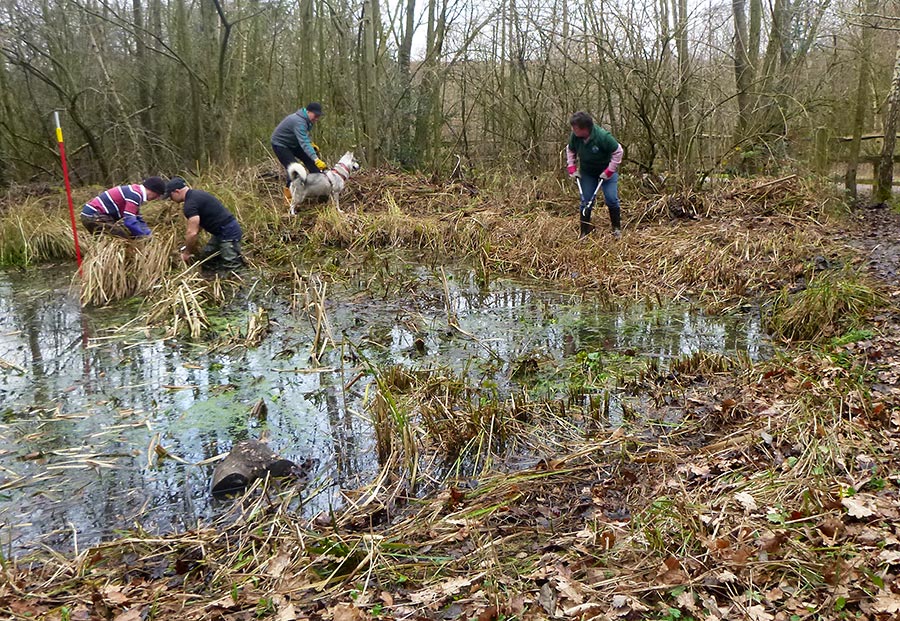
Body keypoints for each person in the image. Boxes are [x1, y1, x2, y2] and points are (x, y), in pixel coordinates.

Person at [565, 111, 624, 239]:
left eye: (575, 128)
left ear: (584, 128)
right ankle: (585, 231)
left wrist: (609, 171)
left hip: (607, 172)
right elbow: (570, 150)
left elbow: (618, 151)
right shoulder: (575, 136)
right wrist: (572, 167)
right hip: (588, 173)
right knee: (586, 201)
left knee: (611, 199)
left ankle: (616, 229)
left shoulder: (603, 137)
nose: (572, 130)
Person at [165, 177, 244, 270]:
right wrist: (188, 243)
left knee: (233, 265)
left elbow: (192, 233)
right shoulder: (197, 194)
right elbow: (199, 225)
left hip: (229, 233)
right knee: (207, 258)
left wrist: (186, 253)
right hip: (220, 233)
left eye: (170, 196)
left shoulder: (190, 205)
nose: (171, 199)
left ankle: (240, 280)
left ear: (176, 191)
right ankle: (214, 275)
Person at [271, 102, 326, 203]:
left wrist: (311, 144)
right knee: (294, 168)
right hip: (280, 144)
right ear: (308, 112)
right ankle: (289, 200)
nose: (317, 118)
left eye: (319, 116)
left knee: (312, 163)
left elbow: (305, 136)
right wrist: (316, 159)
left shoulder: (307, 120)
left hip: (293, 143)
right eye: (316, 115)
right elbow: (304, 142)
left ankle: (320, 193)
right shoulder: (298, 121)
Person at [80, 176, 166, 238]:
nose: (157, 198)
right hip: (93, 216)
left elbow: (138, 218)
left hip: (95, 215)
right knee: (122, 238)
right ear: (152, 190)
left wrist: (149, 234)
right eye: (157, 195)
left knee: (121, 235)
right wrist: (144, 237)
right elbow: (129, 221)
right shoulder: (135, 194)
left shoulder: (135, 192)